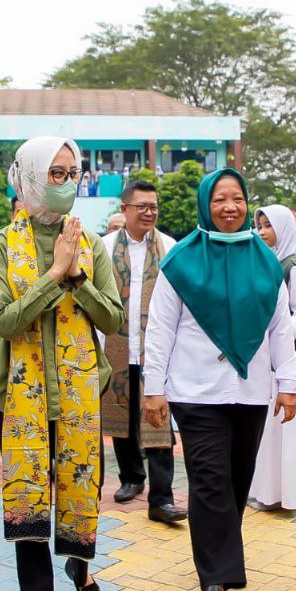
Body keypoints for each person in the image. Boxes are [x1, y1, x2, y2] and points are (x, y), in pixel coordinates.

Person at [0, 136, 122, 591]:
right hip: (19, 400)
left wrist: (78, 276)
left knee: (80, 495)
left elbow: (110, 320)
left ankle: (81, 571)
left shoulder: (92, 244)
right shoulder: (0, 245)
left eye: (73, 173)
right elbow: (5, 321)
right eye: (56, 173)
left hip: (81, 397)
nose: (66, 183)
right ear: (30, 176)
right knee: (29, 511)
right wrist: (52, 273)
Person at [142, 168, 296, 591]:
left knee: (236, 480)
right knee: (209, 482)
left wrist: (287, 384)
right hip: (196, 390)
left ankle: (225, 564)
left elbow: (280, 328)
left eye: (237, 199)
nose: (229, 207)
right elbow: (161, 330)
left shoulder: (265, 261)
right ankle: (212, 579)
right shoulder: (181, 262)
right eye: (219, 200)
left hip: (250, 390)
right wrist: (154, 389)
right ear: (205, 205)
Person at [101, 180, 187, 524]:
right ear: (125, 209)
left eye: (153, 206)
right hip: (116, 347)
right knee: (123, 419)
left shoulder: (170, 247)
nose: (149, 212)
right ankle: (131, 478)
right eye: (142, 206)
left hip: (156, 350)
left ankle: (162, 498)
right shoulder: (104, 247)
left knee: (157, 421)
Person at [249, 205, 296, 511]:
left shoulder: (294, 268)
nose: (261, 231)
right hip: (271, 362)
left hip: (290, 363)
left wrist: (275, 333)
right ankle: (267, 491)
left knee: (284, 432)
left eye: (268, 226)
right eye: (259, 225)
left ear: (284, 228)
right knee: (270, 433)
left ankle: (285, 495)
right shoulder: (270, 264)